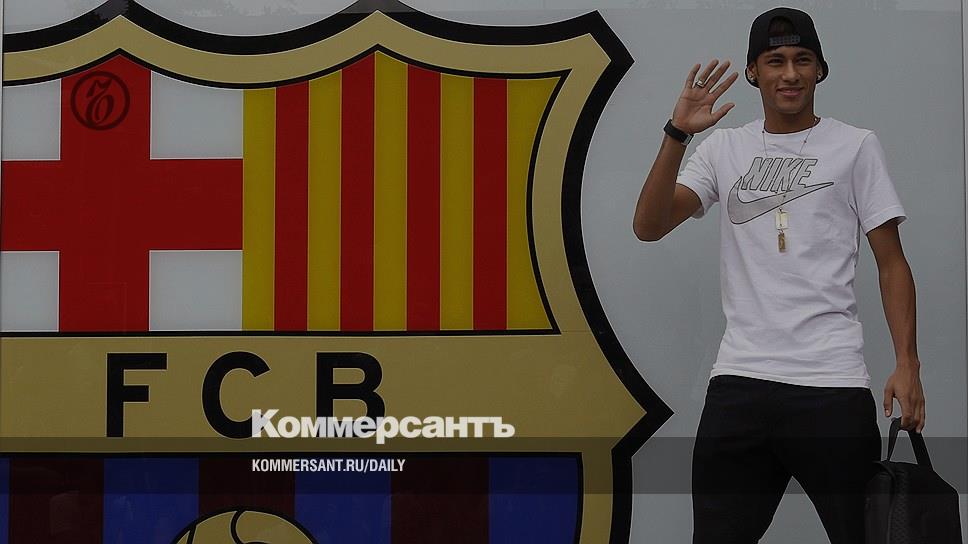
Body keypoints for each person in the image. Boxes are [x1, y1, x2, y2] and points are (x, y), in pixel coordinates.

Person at [632, 7, 926, 544]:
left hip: (831, 385)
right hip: (740, 383)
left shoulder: (855, 146)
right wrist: (676, 134)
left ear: (820, 70)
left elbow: (892, 263)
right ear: (753, 72)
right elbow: (649, 227)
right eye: (775, 61)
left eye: (802, 60)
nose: (790, 74)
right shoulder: (724, 149)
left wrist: (908, 364)